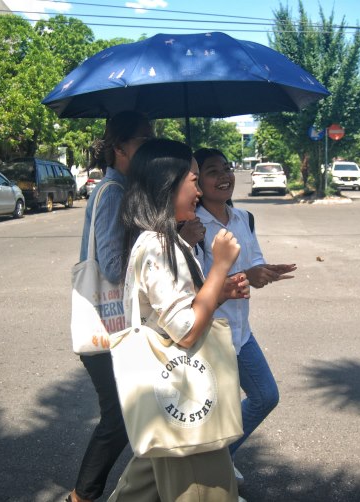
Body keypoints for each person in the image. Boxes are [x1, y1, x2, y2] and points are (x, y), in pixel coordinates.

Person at [108, 138, 243, 501]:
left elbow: (179, 308)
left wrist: (220, 290)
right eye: (194, 180)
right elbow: (185, 331)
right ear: (167, 184)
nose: (199, 191)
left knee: (138, 490)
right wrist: (220, 268)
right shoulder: (157, 244)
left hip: (169, 398)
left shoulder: (167, 240)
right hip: (185, 395)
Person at [193, 147, 296, 485]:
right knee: (211, 413)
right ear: (196, 180)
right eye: (212, 171)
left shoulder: (244, 218)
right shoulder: (191, 228)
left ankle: (220, 457)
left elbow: (254, 265)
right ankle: (208, 476)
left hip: (240, 332)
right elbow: (193, 291)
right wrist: (244, 278)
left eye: (226, 168)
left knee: (265, 396)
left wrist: (263, 272)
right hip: (207, 338)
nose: (224, 176)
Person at [68, 110, 154, 502]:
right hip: (108, 323)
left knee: (138, 411)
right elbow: (113, 266)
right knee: (118, 418)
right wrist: (152, 235)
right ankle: (82, 496)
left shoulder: (124, 188)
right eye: (143, 138)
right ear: (119, 148)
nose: (150, 144)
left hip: (119, 325)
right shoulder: (114, 191)